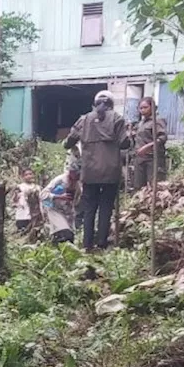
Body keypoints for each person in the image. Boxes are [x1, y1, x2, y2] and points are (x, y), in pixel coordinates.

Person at [65, 91, 130, 251]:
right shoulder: (117, 119)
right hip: (110, 171)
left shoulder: (84, 119)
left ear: (95, 103)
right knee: (106, 207)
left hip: (90, 172)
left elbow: (69, 142)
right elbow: (125, 144)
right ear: (111, 104)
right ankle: (101, 243)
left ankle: (87, 243)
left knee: (89, 208)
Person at [132, 95, 168, 190]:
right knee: (139, 187)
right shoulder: (141, 123)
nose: (143, 110)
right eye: (140, 108)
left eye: (145, 107)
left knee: (153, 186)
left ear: (153, 108)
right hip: (140, 159)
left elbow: (162, 138)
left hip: (152, 159)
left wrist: (147, 147)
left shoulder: (157, 121)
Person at [41, 160, 82, 244]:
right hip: (54, 209)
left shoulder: (78, 184)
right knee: (64, 233)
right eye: (76, 174)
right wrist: (59, 196)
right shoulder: (59, 180)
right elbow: (43, 194)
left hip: (68, 212)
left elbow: (76, 200)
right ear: (71, 172)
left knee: (70, 238)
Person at [14, 168, 40, 235]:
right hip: (22, 215)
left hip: (34, 215)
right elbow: (14, 200)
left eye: (30, 174)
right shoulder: (19, 187)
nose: (29, 176)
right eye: (26, 175)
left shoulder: (37, 188)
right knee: (22, 232)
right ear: (23, 177)